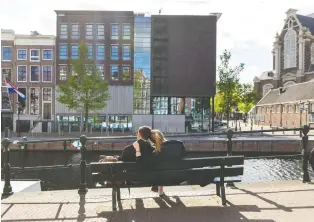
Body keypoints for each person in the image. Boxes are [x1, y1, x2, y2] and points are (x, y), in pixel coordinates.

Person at [150, 129, 186, 196]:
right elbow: (184, 156)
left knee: (158, 167)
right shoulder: (177, 145)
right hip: (178, 174)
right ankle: (159, 190)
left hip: (164, 175)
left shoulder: (158, 151)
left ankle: (158, 189)